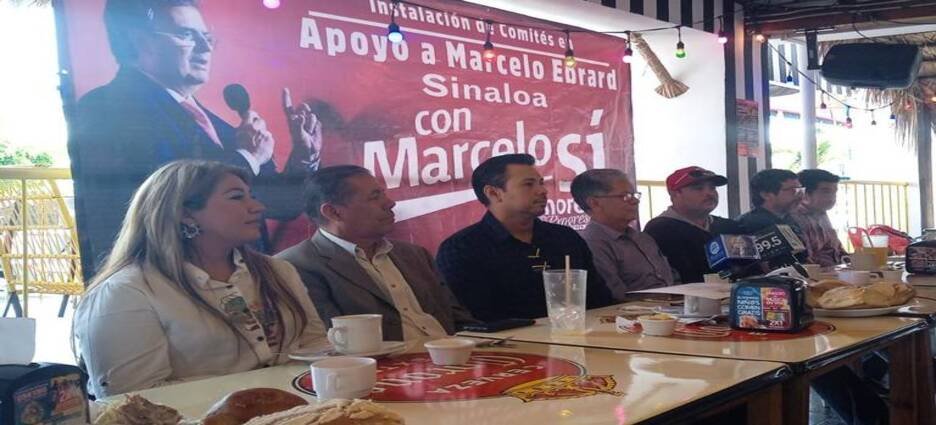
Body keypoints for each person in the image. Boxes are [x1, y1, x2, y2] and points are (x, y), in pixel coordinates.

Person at [70, 0, 322, 278]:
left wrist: (303, 157)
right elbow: (166, 200)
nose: (205, 48)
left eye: (208, 37)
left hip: (242, 280)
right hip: (170, 281)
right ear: (139, 41)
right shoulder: (106, 107)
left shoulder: (222, 128)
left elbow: (280, 205)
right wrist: (247, 157)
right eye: (187, 35)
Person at [73, 160, 328, 397]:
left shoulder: (278, 271)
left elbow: (314, 344)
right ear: (184, 213)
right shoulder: (126, 292)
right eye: (236, 197)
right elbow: (132, 398)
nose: (258, 207)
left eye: (251, 196)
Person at [276, 165, 476, 341]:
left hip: (453, 357)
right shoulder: (295, 266)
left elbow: (458, 320)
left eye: (383, 194)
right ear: (333, 212)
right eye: (375, 197)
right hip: (388, 367)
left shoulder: (414, 254)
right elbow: (330, 343)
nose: (390, 203)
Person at [436, 154, 614, 322]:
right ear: (493, 193)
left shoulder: (565, 238)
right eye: (528, 184)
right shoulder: (461, 248)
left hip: (580, 335)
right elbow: (475, 319)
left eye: (541, 183)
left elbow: (600, 300)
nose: (542, 191)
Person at [570, 169, 674, 300]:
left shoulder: (643, 238)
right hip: (638, 311)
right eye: (625, 196)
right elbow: (617, 297)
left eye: (635, 195)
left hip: (674, 307)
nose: (635, 201)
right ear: (595, 203)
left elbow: (671, 278)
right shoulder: (591, 243)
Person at [644, 166, 743, 283]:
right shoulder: (660, 230)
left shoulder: (728, 226)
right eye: (698, 188)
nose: (709, 193)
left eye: (712, 188)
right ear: (675, 194)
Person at [791, 169, 846, 267]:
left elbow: (837, 251)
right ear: (805, 193)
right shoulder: (794, 217)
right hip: (816, 274)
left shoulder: (821, 213)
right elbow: (806, 261)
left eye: (834, 192)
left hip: (834, 270)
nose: (832, 198)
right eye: (826, 192)